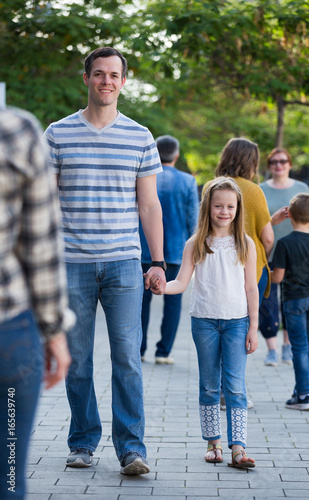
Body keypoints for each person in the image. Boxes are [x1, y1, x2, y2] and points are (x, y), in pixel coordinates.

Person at [44, 47, 166, 475]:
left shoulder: (140, 136)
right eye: (99, 74)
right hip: (71, 263)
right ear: (87, 79)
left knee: (128, 358)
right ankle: (82, 441)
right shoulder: (58, 133)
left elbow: (149, 206)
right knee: (76, 359)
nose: (106, 81)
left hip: (123, 264)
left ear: (123, 82)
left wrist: (158, 263)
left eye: (114, 75)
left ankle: (132, 449)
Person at [153, 177, 258, 468]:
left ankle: (238, 446)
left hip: (237, 322)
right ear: (207, 208)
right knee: (210, 385)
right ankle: (214, 442)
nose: (224, 211)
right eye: (218, 206)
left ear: (238, 209)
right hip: (204, 322)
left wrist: (253, 326)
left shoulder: (245, 244)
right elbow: (181, 282)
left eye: (230, 206)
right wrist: (162, 286)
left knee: (235, 386)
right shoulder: (195, 244)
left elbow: (251, 289)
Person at [0, 107, 73, 500]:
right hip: (7, 330)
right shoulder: (14, 129)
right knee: (7, 474)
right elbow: (40, 245)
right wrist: (54, 330)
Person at [215, 138, 274, 411]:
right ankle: (235, 391)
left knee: (218, 328)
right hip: (252, 266)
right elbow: (268, 236)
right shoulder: (253, 190)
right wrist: (264, 256)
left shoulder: (211, 187)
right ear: (252, 162)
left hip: (218, 266)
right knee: (241, 331)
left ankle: (218, 390)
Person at [139, 135, 199, 364]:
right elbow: (193, 217)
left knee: (142, 302)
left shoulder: (146, 177)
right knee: (173, 302)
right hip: (175, 251)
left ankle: (139, 349)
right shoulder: (187, 181)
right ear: (177, 155)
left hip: (144, 249)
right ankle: (164, 352)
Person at [271, 193, 309, 411]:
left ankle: (304, 395)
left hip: (294, 302)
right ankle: (301, 390)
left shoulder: (284, 243)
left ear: (290, 216)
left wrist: (264, 273)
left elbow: (277, 277)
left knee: (298, 347)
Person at [259, 147, 309, 367]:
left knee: (291, 302)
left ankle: (287, 346)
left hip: (296, 254)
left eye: (283, 161)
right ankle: (271, 349)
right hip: (269, 253)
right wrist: (273, 220)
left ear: (290, 164)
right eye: (274, 161)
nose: (278, 165)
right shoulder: (261, 189)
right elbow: (258, 224)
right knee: (268, 302)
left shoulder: (302, 188)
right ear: (269, 165)